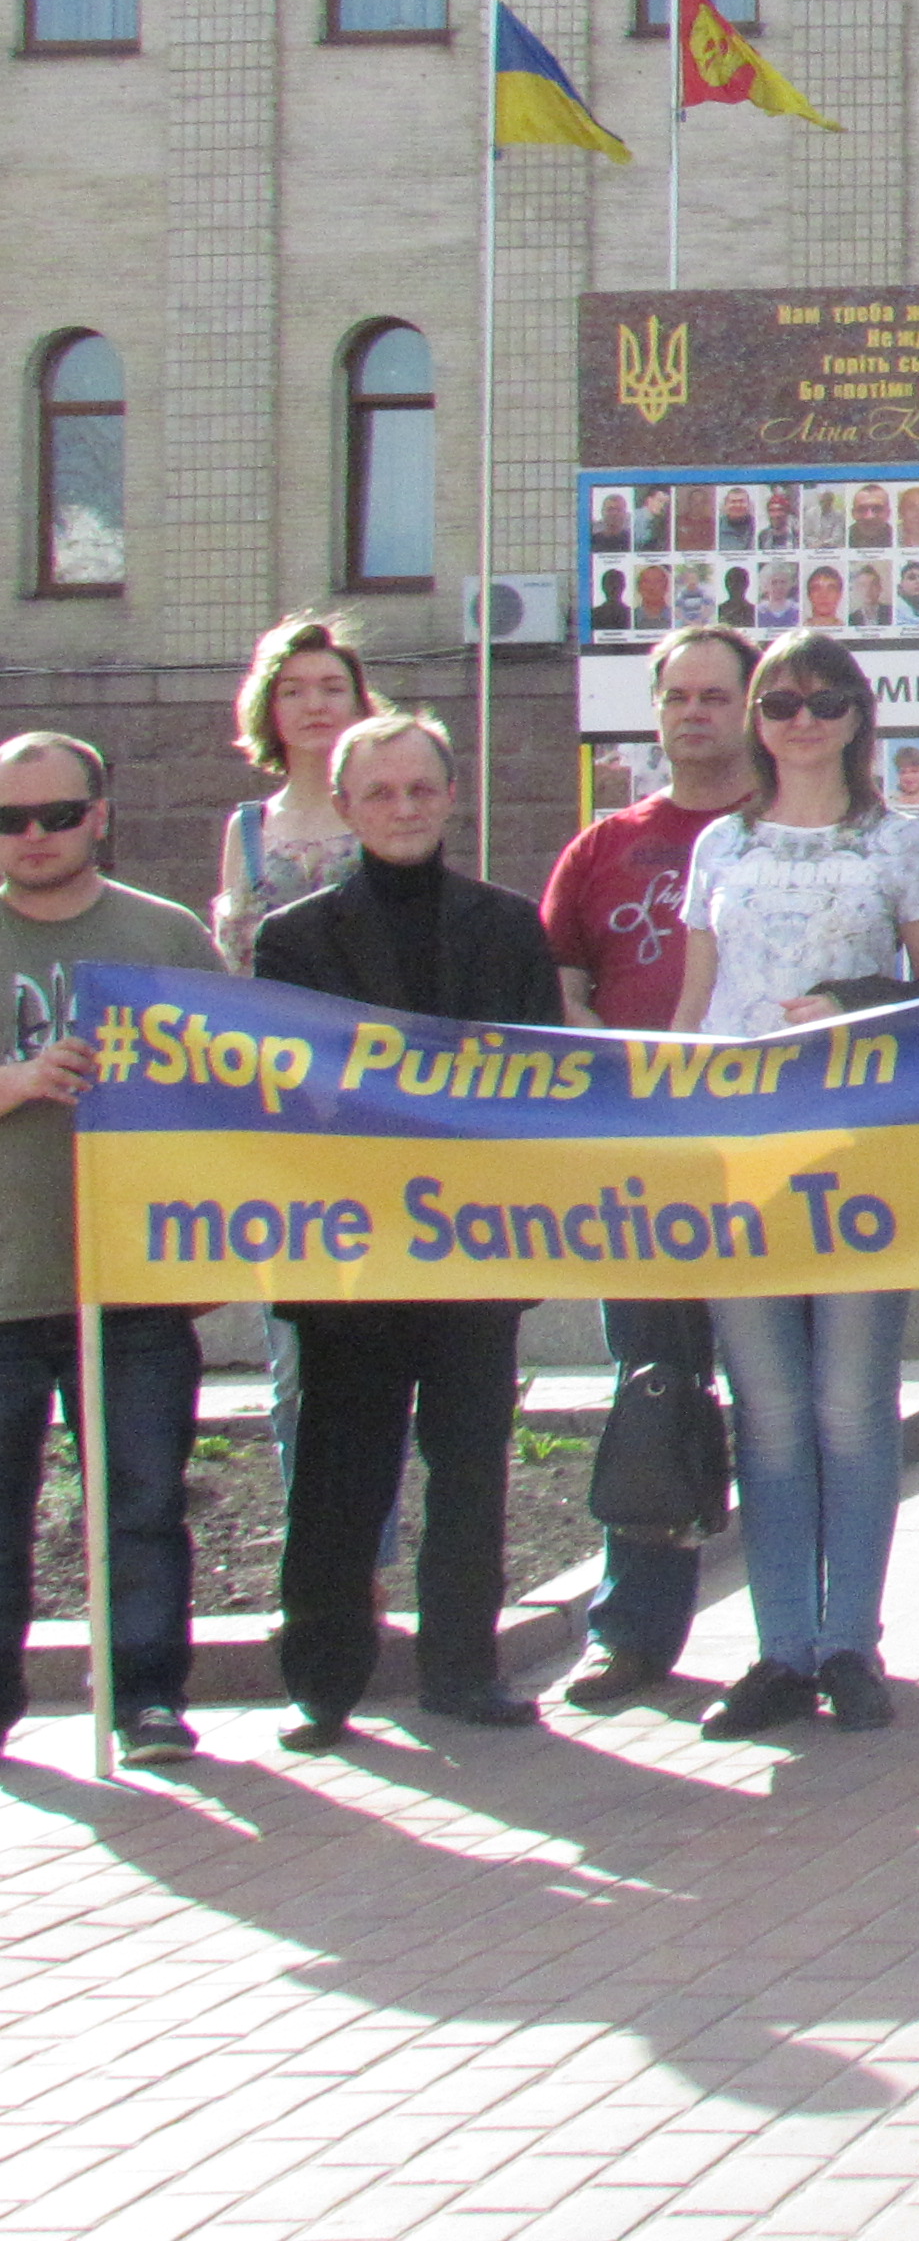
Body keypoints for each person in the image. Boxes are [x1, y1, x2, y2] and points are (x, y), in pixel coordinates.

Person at [670, 634, 919, 1740]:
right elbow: (696, 1002)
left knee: (851, 1405)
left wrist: (853, 998)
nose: (802, 719)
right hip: (738, 1149)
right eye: (781, 701)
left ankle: (851, 1643)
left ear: (858, 716)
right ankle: (779, 1646)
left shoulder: (900, 842)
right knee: (771, 1411)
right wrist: (668, 1123)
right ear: (756, 718)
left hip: (857, 1147)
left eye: (825, 700)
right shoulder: (720, 845)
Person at [254, 711, 566, 1744]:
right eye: (380, 793)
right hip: (348, 1253)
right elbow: (284, 1101)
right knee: (340, 1477)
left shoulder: (509, 927)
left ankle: (463, 1672)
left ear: (451, 797)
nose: (402, 809)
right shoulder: (292, 940)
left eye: (421, 789)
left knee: (472, 1469)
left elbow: (544, 1080)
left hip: (475, 1245)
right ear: (344, 807)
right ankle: (323, 1684)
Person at [535, 620, 762, 1711]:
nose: (696, 713)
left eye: (718, 695)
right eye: (679, 696)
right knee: (652, 1394)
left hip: (778, 1166)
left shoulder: (786, 835)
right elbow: (560, 986)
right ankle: (632, 1632)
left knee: (785, 1405)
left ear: (751, 707)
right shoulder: (603, 847)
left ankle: (801, 1637)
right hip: (645, 1170)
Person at [0, 732, 221, 1765]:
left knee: (142, 1506)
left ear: (99, 815)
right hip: (6, 1287)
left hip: (134, 1283)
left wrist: (218, 1253)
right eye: (10, 820)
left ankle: (146, 1698)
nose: (33, 836)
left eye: (56, 815)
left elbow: (234, 1090)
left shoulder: (163, 936)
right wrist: (19, 1081)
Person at [212, 611, 379, 970]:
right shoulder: (248, 827)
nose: (315, 705)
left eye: (333, 689)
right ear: (268, 709)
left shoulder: (384, 814)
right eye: (292, 692)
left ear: (358, 704)